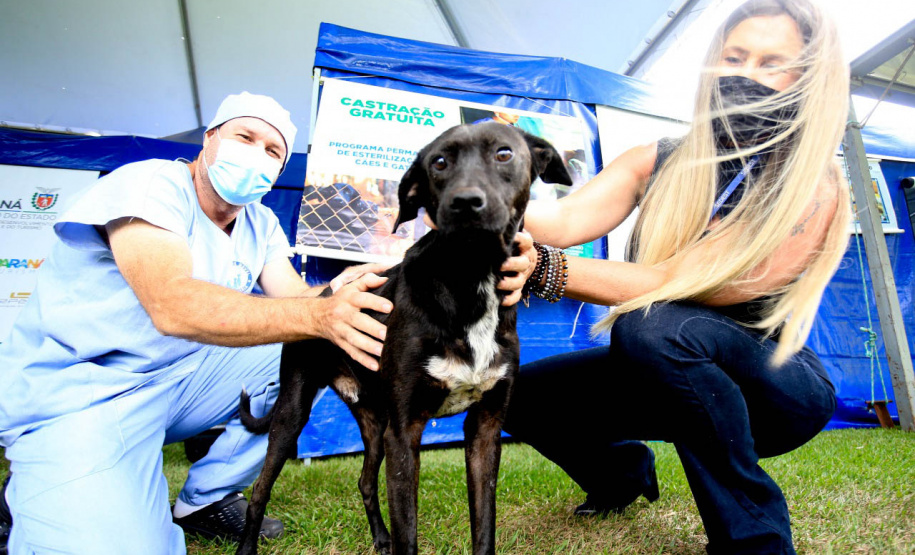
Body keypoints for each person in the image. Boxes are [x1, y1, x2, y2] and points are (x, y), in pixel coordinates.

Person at [504, 1, 850, 553]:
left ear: (808, 78)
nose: (744, 74)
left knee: (654, 327)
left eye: (771, 63)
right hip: (664, 371)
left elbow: (684, 281)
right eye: (734, 57)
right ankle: (621, 473)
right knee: (515, 393)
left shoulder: (813, 181)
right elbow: (563, 220)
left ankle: (755, 540)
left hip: (774, 388)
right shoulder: (658, 159)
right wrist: (478, 202)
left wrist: (543, 267)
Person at [0, 92, 397, 554]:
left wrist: (343, 289)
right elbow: (170, 304)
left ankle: (205, 499)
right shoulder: (150, 185)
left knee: (308, 350)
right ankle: (39, 481)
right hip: (84, 392)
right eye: (245, 137)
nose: (257, 154)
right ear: (210, 138)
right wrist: (318, 313)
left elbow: (296, 299)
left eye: (273, 151)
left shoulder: (260, 222)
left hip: (180, 382)